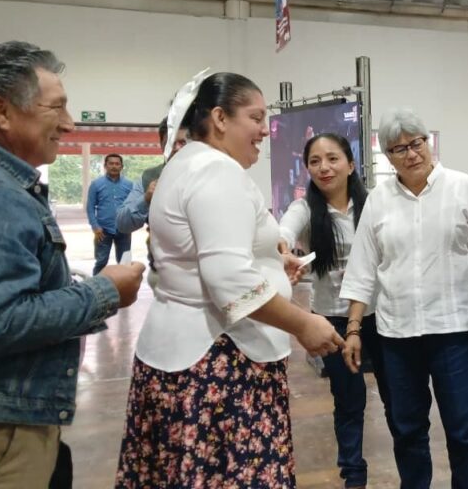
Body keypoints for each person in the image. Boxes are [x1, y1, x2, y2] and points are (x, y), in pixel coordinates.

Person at [115, 71, 343, 488]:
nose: (264, 130)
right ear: (220, 118)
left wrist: (271, 264)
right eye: (255, 118)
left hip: (185, 354)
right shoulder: (217, 172)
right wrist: (303, 323)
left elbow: (205, 258)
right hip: (219, 366)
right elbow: (229, 282)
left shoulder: (186, 164)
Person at [0, 41, 144, 488]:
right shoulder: (3, 196)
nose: (69, 123)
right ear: (2, 111)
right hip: (8, 426)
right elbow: (3, 318)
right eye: (56, 107)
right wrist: (103, 292)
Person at [340, 110, 468, 489]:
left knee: (463, 432)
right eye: (399, 149)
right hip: (397, 336)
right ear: (388, 156)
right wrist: (353, 328)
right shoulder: (379, 201)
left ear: (427, 143)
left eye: (416, 143)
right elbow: (363, 267)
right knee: (407, 430)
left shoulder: (463, 188)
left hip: (454, 332)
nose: (411, 154)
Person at [278, 132, 391, 489]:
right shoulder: (305, 209)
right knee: (349, 401)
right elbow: (283, 232)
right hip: (333, 320)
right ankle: (354, 476)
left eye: (332, 158)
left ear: (351, 164)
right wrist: (283, 250)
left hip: (381, 316)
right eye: (315, 161)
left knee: (397, 397)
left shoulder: (373, 204)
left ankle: (411, 467)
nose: (324, 167)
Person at [115, 116, 188, 288]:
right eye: (171, 143)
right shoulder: (149, 177)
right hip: (162, 275)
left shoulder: (213, 175)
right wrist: (146, 199)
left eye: (183, 143)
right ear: (162, 145)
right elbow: (122, 223)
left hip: (206, 275)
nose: (177, 148)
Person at [87, 153, 134, 274]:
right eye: (111, 163)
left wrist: (131, 224)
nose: (114, 166)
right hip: (102, 231)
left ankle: (123, 286)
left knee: (124, 263)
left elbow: (133, 206)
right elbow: (90, 207)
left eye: (117, 164)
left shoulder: (129, 185)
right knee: (101, 262)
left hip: (124, 230)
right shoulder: (96, 184)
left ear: (121, 166)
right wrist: (95, 227)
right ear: (105, 166)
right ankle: (97, 285)